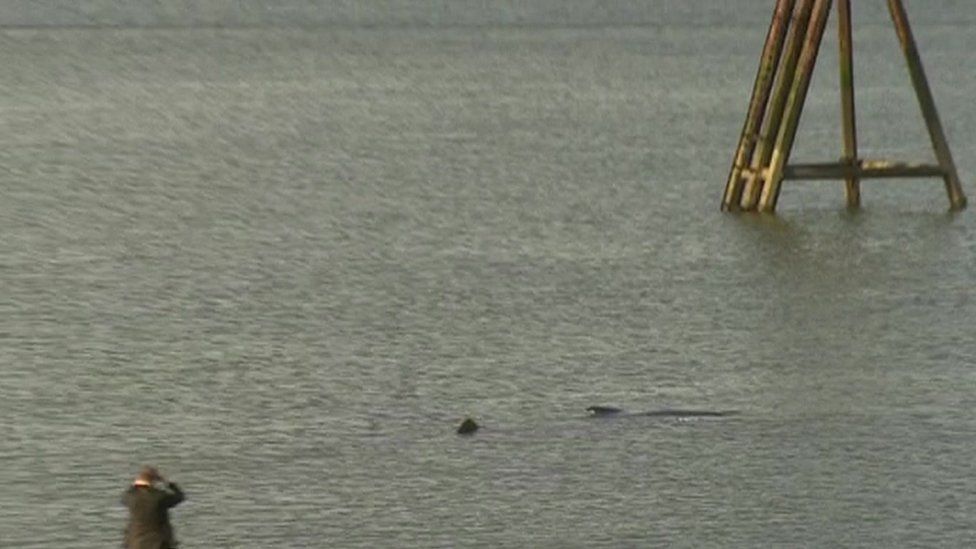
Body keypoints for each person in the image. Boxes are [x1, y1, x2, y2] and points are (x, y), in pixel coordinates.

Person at [121, 466, 185, 549]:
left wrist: (137, 483)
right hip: (158, 543)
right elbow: (179, 497)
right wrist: (168, 483)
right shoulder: (159, 497)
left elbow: (127, 494)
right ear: (154, 480)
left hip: (134, 542)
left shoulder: (130, 496)